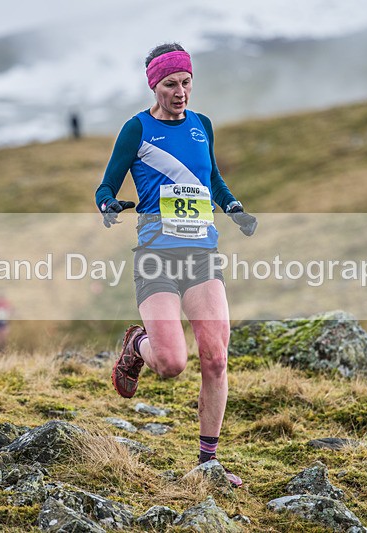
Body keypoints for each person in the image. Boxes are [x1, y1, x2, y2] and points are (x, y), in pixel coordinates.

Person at [95, 43, 257, 487]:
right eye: (171, 84)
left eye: (186, 82)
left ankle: (208, 461)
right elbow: (106, 184)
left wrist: (234, 206)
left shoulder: (202, 126)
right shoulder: (137, 129)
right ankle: (137, 345)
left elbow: (212, 180)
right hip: (156, 259)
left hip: (201, 256)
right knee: (170, 362)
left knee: (217, 358)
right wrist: (108, 203)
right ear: (154, 85)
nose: (181, 91)